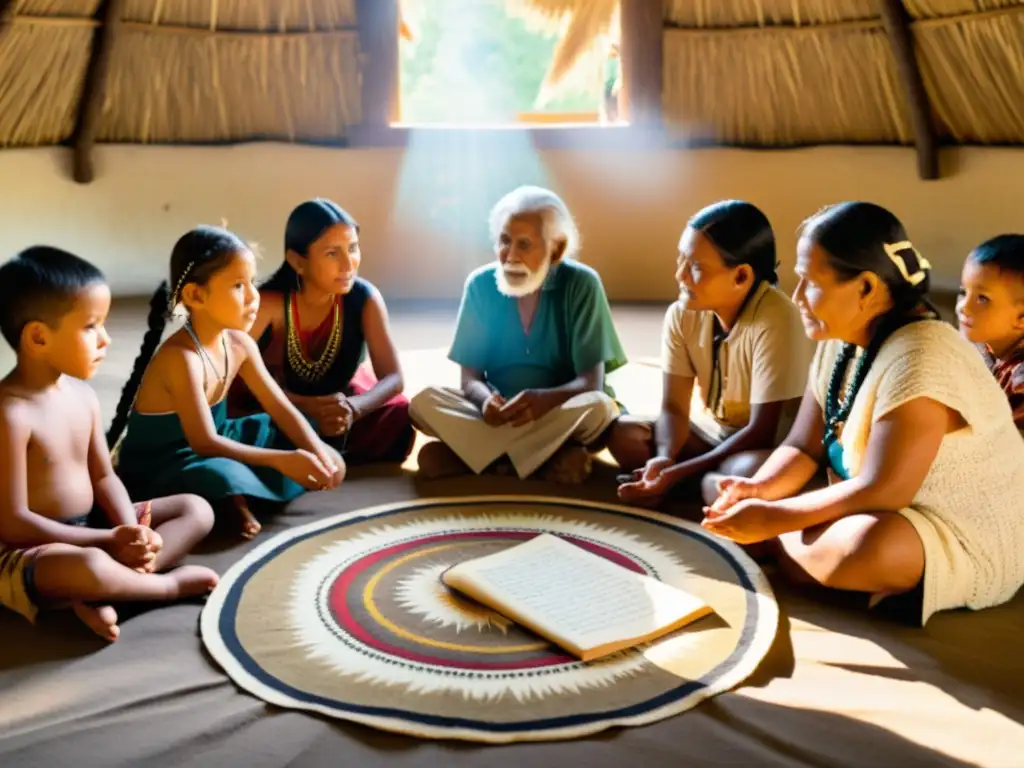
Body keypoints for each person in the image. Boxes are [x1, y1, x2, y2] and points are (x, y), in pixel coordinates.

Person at [702, 202, 1024, 625]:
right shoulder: (840, 337)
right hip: (868, 494)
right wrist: (757, 490)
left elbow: (886, 490)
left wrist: (774, 518)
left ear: (867, 289)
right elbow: (801, 445)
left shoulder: (923, 354)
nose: (796, 297)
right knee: (737, 472)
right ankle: (801, 553)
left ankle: (783, 546)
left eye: (810, 283)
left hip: (952, 529)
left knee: (872, 547)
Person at [0, 247, 219, 642]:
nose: (106, 339)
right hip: (34, 548)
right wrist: (107, 542)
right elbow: (13, 523)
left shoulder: (82, 395)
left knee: (196, 509)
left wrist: (130, 530)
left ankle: (114, 589)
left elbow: (104, 478)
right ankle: (159, 587)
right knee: (85, 568)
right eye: (90, 326)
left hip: (97, 530)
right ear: (38, 337)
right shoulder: (10, 413)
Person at [108, 226, 345, 541]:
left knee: (319, 442)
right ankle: (233, 497)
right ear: (195, 295)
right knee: (217, 475)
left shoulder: (239, 344)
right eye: (237, 285)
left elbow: (279, 407)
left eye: (253, 282)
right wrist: (283, 460)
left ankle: (240, 496)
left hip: (221, 438)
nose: (253, 296)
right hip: (170, 460)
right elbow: (203, 442)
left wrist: (316, 453)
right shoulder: (181, 357)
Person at [409, 185, 626, 483]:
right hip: (496, 417)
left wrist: (543, 400)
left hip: (557, 413)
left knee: (600, 409)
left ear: (556, 250)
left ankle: (487, 461)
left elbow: (592, 382)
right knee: (422, 403)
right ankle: (545, 461)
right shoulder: (480, 285)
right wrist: (486, 402)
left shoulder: (582, 284)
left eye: (524, 245)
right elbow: (470, 379)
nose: (509, 255)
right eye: (504, 240)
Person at [611, 201, 814, 507]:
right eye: (681, 259)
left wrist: (678, 472)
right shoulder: (682, 314)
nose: (680, 275)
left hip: (765, 447)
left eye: (695, 267)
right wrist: (665, 458)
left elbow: (761, 431)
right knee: (625, 434)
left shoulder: (777, 318)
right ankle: (697, 486)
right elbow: (673, 408)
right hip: (711, 437)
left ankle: (690, 486)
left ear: (741, 277)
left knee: (744, 470)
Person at [236, 199, 413, 465]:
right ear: (298, 261)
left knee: (399, 414)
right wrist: (305, 406)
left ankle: (318, 450)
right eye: (332, 253)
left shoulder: (365, 298)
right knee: (246, 425)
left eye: (352, 249)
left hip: (339, 403)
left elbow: (394, 378)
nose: (348, 264)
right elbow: (230, 376)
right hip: (276, 404)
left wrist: (354, 409)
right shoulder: (270, 304)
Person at [955, 234, 1024, 433]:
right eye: (963, 292)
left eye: (982, 299)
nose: (963, 307)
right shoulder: (981, 346)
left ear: (1021, 319)